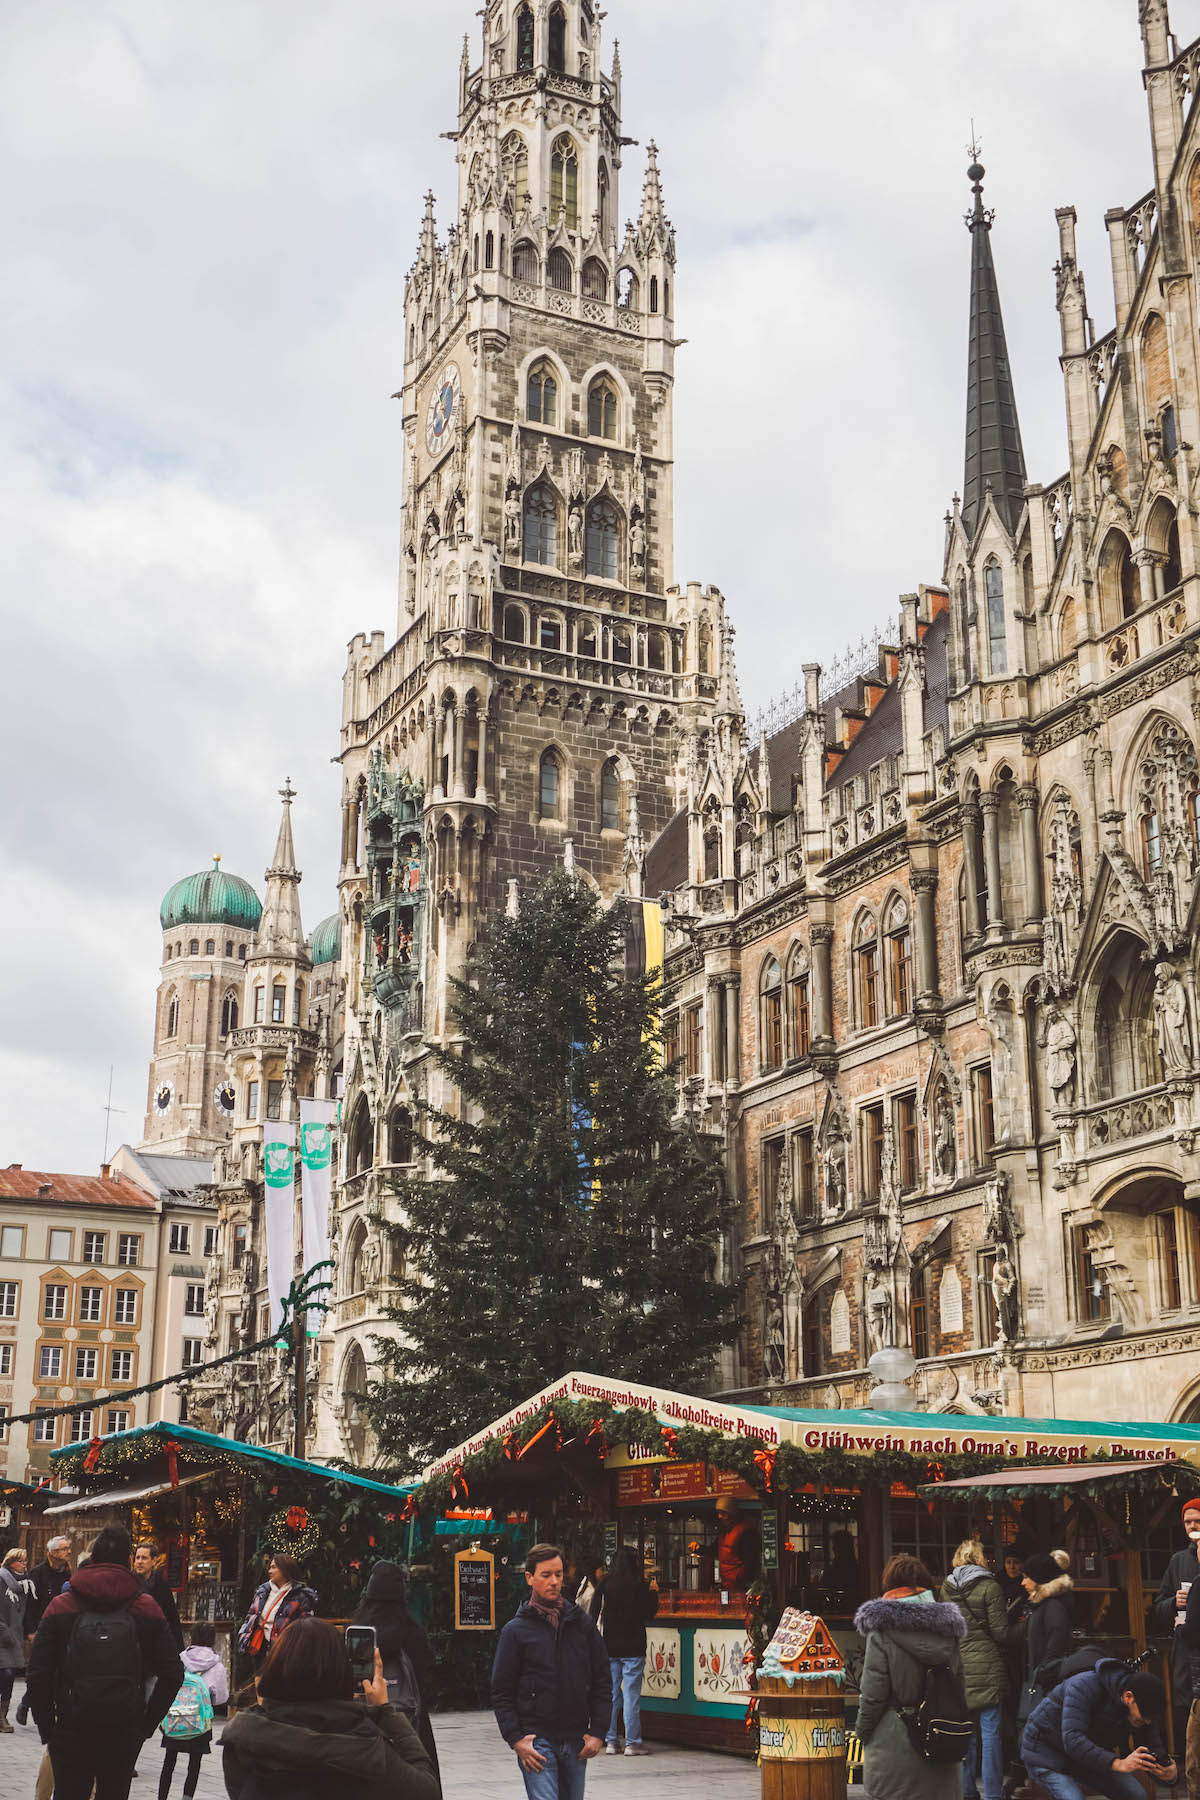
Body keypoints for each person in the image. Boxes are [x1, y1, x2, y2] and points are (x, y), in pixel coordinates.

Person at [26, 1524, 184, 1800]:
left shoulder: (62, 1605)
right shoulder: (145, 1606)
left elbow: (37, 1672)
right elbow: (173, 1672)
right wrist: (145, 1725)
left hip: (71, 1726)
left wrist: (47, 1729)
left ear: (93, 1559)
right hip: (122, 1728)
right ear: (127, 1563)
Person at [221, 1614, 439, 1800]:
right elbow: (427, 1791)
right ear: (343, 1670)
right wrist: (385, 1711)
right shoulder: (365, 1748)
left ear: (275, 1667)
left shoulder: (244, 1737)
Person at [491, 1541, 612, 1799]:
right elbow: (501, 1690)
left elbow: (603, 1679)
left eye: (558, 1574)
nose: (554, 1581)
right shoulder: (516, 1631)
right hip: (537, 1741)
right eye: (546, 1575)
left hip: (576, 1739)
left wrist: (598, 1731)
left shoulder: (582, 1624)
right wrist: (515, 1738)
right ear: (530, 1578)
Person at [854, 1552, 969, 1800]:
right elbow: (959, 1684)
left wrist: (862, 1732)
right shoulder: (948, 1631)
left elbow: (873, 1694)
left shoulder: (881, 1631)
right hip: (940, 1741)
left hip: (895, 1745)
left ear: (889, 1586)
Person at [1022, 1659, 1176, 1798]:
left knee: (1136, 1796)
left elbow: (1152, 1747)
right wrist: (1118, 1763)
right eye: (1143, 1716)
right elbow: (1072, 1739)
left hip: (1087, 1756)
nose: (1147, 1721)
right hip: (1045, 1752)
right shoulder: (1083, 1685)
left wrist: (1169, 1774)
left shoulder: (1144, 1708)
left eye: (1150, 1718)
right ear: (1129, 1697)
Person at [351, 1559, 441, 1782]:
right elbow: (428, 1679)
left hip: (363, 1726)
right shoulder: (412, 1635)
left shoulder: (357, 1635)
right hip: (410, 1725)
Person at [941, 1538, 1014, 1800]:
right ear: (981, 1558)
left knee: (966, 1734)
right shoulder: (990, 1587)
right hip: (988, 1667)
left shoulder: (946, 1588)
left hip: (960, 1668)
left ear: (958, 1557)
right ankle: (994, 1794)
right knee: (991, 1734)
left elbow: (946, 1631)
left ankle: (967, 1791)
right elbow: (1001, 1632)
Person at [1152, 1495, 1200, 1777]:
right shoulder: (1178, 1560)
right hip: (1185, 1650)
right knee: (1187, 1710)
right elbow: (1158, 1607)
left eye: (1197, 1521)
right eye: (1187, 1522)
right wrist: (1176, 1603)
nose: (1192, 1526)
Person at [594, 1548, 657, 1758]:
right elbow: (649, 1613)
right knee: (631, 1695)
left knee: (611, 1694)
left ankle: (611, 1741)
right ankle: (632, 1743)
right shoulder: (640, 1585)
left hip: (610, 1645)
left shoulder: (605, 1582)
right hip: (634, 1645)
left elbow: (593, 1611)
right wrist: (654, 1592)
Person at [157, 1621, 227, 1800]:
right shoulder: (216, 1666)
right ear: (212, 1640)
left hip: (175, 1718)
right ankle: (187, 1797)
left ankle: (162, 1797)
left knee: (169, 1761)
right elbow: (221, 1698)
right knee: (194, 1764)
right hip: (200, 1723)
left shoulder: (179, 1660)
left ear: (191, 1638)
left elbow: (166, 1685)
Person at [15, 1536, 72, 1726]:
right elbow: (29, 1605)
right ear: (54, 1553)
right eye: (65, 1549)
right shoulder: (38, 1573)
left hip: (63, 1629)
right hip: (41, 1629)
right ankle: (24, 1704)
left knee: (58, 1671)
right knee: (40, 1672)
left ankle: (53, 1709)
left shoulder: (68, 1573)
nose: (68, 1552)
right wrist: (30, 1631)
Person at [237, 1551, 317, 1664]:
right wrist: (244, 1638)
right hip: (260, 1649)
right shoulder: (262, 1591)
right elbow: (250, 1616)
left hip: (286, 1653)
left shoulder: (301, 1596)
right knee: (260, 1680)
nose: (269, 1571)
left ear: (285, 1570)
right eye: (269, 1567)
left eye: (274, 1567)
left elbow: (305, 1629)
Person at [1022, 1551, 1074, 1682]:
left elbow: (1057, 1643)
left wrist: (1042, 1673)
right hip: (1042, 1678)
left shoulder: (1052, 1605)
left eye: (1027, 1577)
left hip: (1048, 1682)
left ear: (1039, 1578)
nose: (1023, 1582)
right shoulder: (1042, 1603)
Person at [135, 1541, 184, 1652]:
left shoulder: (162, 1586)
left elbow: (173, 1618)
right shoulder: (129, 1583)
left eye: (144, 1558)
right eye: (137, 1558)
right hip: (135, 1645)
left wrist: (178, 1650)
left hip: (157, 1645)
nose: (139, 1562)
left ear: (153, 1561)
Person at [0, 1546, 29, 1731]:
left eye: (26, 1561)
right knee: (6, 1673)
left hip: (14, 1636)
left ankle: (2, 1716)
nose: (24, 1565)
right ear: (10, 1563)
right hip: (2, 1632)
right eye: (21, 1561)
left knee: (9, 1675)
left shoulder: (25, 1584)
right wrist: (5, 1631)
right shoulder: (2, 1580)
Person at [714, 1497, 761, 1591]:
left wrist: (741, 1579)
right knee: (726, 1604)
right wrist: (699, 1548)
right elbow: (715, 1550)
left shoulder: (745, 1532)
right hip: (727, 1584)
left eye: (723, 1513)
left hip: (741, 1587)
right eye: (718, 1513)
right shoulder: (724, 1531)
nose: (719, 1516)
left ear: (732, 1513)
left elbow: (751, 1562)